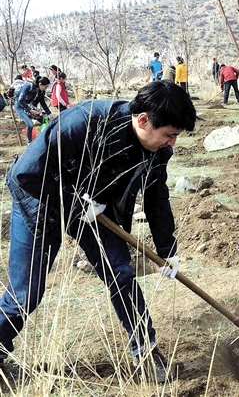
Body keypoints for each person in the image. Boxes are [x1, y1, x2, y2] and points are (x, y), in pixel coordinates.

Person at [0, 81, 196, 382]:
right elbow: (26, 173)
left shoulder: (158, 150)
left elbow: (157, 196)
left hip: (95, 209)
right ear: (143, 120)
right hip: (40, 198)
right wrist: (75, 202)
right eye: (169, 135)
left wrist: (167, 251)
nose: (172, 143)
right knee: (26, 294)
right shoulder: (85, 122)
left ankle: (145, 351)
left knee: (121, 273)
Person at [12, 77, 51, 144]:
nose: (46, 88)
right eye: (46, 86)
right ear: (40, 84)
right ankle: (29, 142)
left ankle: (44, 138)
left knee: (44, 120)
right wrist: (30, 110)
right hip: (19, 106)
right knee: (30, 124)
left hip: (28, 106)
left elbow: (43, 103)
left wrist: (49, 114)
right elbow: (20, 100)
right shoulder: (28, 86)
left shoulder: (40, 91)